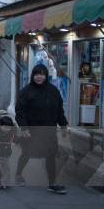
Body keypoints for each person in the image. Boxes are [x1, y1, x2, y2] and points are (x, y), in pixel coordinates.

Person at [15, 64, 68, 194]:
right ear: (33, 76)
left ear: (46, 76)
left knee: (50, 156)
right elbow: (20, 111)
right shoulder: (26, 92)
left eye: (42, 74)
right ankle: (18, 174)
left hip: (49, 130)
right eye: (36, 74)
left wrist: (63, 125)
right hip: (31, 130)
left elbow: (59, 110)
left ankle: (52, 183)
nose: (39, 77)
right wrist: (24, 128)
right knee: (27, 153)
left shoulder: (53, 91)